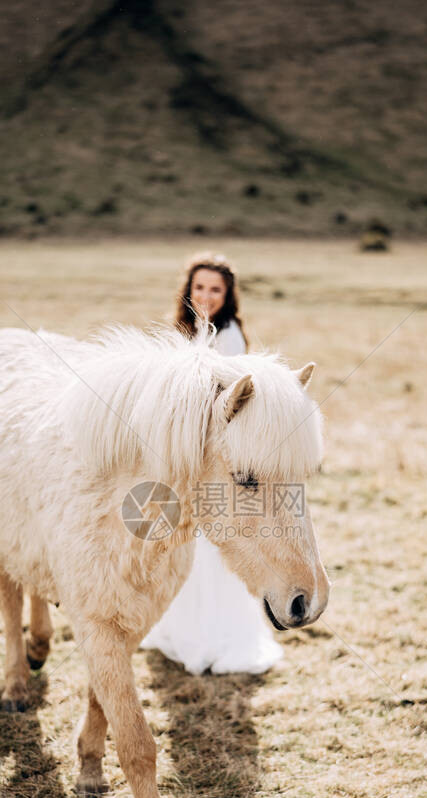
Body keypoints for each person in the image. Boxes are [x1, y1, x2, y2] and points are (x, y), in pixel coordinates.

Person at [140, 253, 283, 675]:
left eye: (215, 290)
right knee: (182, 544)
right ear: (188, 289)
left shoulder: (230, 336)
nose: (205, 296)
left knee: (211, 547)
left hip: (211, 454)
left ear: (228, 295)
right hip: (182, 452)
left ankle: (217, 638)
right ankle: (178, 632)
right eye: (199, 287)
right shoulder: (181, 330)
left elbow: (223, 403)